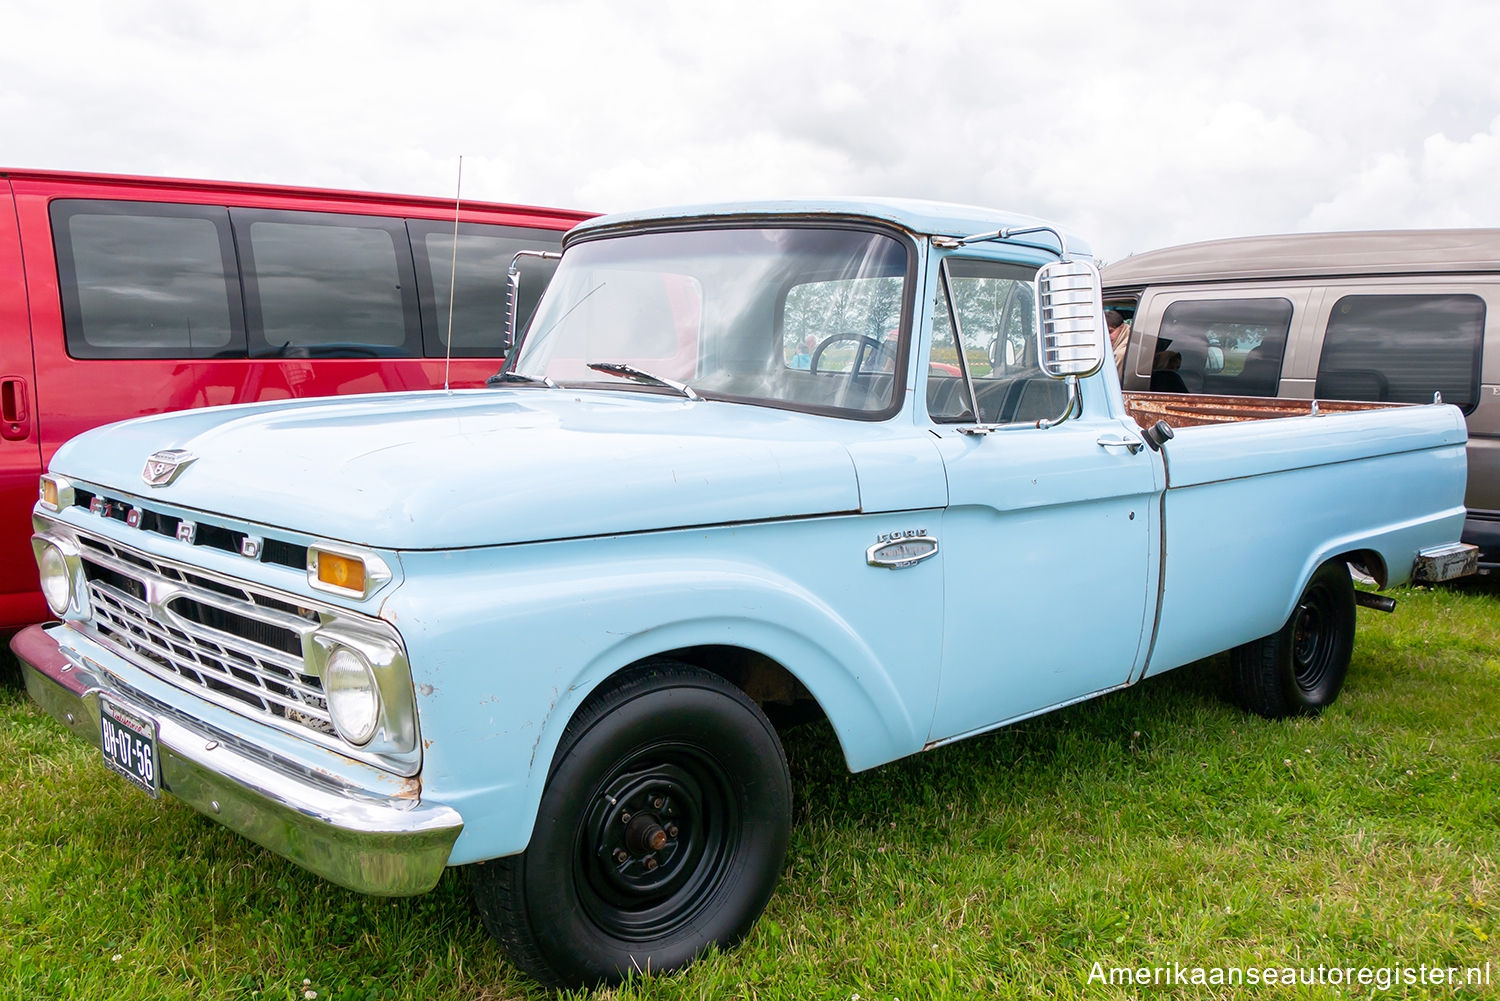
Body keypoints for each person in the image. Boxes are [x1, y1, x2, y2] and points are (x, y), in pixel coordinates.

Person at [1105, 309, 1130, 376]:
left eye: (1110, 332)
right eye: (1104, 333)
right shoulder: (1131, 338)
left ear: (1122, 327)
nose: (1107, 337)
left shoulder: (1120, 354)